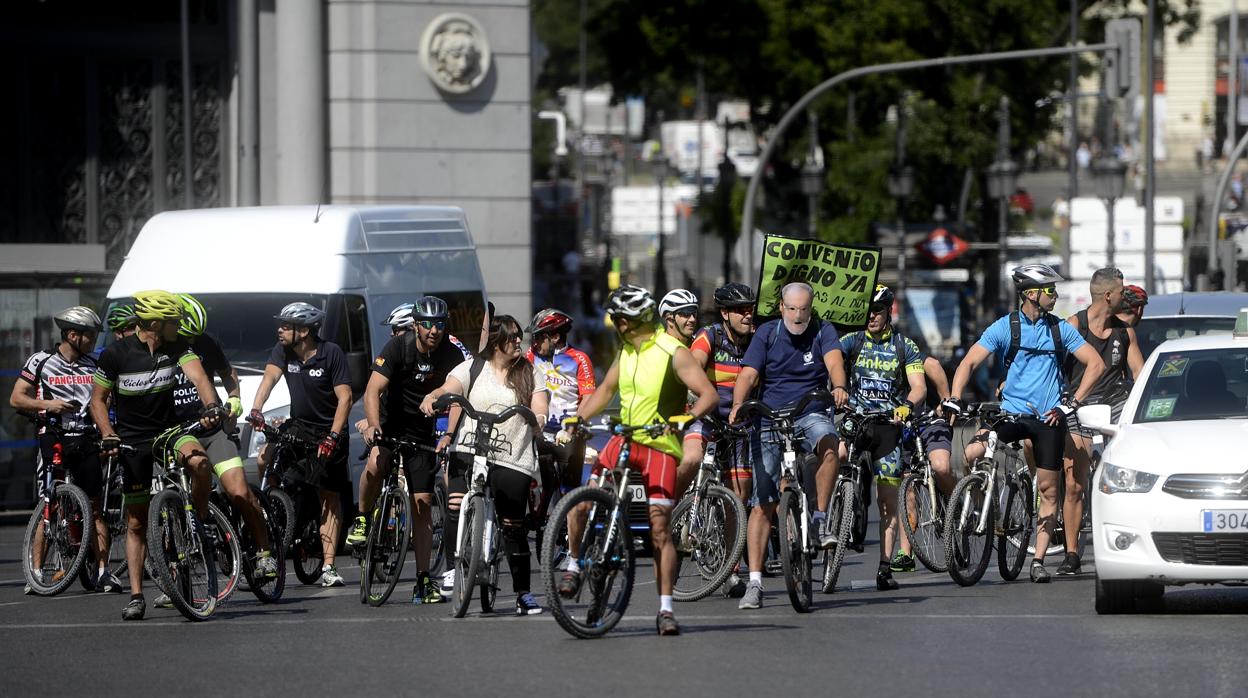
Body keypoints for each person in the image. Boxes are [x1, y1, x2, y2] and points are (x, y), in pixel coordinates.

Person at [560, 284, 717, 636]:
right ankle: (573, 563)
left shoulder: (673, 351)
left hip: (660, 446)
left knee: (659, 528)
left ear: (634, 320)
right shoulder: (626, 350)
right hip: (625, 437)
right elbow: (604, 391)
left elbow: (709, 394)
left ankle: (664, 609)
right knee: (582, 502)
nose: (616, 324)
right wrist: (578, 419)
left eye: (620, 319)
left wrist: (684, 418)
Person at [943, 264, 1105, 583]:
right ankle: (978, 504)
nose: (1055, 296)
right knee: (971, 455)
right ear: (1032, 294)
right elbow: (970, 361)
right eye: (1049, 291)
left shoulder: (1060, 329)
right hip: (1012, 415)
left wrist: (1071, 402)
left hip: (1048, 419)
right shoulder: (1006, 327)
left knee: (1048, 491)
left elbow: (1095, 364)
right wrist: (954, 395)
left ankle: (1038, 560)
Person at [90, 290, 226, 620]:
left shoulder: (176, 346)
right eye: (173, 321)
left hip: (169, 433)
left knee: (201, 463)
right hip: (133, 441)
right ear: (154, 323)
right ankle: (137, 596)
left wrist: (211, 406)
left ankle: (202, 517)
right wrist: (108, 433)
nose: (178, 326)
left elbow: (199, 377)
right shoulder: (115, 355)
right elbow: (97, 401)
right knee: (136, 522)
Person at [419, 314, 550, 616]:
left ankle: (523, 593)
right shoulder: (473, 367)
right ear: (496, 342)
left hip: (512, 456)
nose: (519, 340)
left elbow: (540, 404)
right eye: (512, 336)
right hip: (469, 448)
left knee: (513, 526)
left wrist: (538, 418)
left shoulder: (529, 372)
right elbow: (449, 388)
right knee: (455, 502)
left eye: (520, 335)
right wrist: (434, 396)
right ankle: (455, 567)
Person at [730, 282, 849, 609]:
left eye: (804, 309)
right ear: (781, 307)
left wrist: (838, 386)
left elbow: (835, 363)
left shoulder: (823, 331)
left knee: (829, 443)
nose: (798, 316)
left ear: (811, 309)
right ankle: (754, 584)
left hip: (809, 411)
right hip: (770, 417)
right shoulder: (767, 333)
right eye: (792, 309)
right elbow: (749, 374)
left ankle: (820, 518)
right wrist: (739, 404)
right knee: (762, 503)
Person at [352, 296, 468, 603]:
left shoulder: (451, 354)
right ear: (415, 325)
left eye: (439, 324)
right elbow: (372, 390)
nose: (433, 330)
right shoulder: (398, 347)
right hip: (390, 423)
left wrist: (449, 435)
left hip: (421, 430)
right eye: (427, 324)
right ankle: (362, 517)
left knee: (422, 504)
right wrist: (374, 425)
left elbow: (457, 397)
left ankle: (423, 580)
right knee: (377, 463)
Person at [165, 293, 275, 594]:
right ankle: (174, 575)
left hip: (212, 430)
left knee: (238, 491)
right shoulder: (159, 350)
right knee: (168, 506)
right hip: (176, 433)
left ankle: (264, 552)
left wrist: (235, 397)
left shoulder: (206, 344)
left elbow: (228, 373)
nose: (191, 341)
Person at [249, 302, 353, 588]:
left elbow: (345, 398)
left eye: (286, 326)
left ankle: (329, 566)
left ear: (304, 331)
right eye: (280, 325)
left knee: (328, 497)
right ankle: (276, 510)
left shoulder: (330, 353)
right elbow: (268, 379)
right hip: (299, 425)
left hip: (328, 431)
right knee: (263, 458)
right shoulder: (283, 350)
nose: (279, 330)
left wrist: (333, 436)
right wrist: (257, 409)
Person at [10, 306, 110, 591]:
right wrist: (48, 404)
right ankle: (37, 573)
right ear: (71, 335)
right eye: (89, 335)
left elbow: (105, 399)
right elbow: (16, 398)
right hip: (52, 435)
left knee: (95, 508)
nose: (93, 340)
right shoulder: (40, 361)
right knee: (49, 504)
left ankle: (103, 571)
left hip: (87, 437)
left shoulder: (95, 363)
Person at [836, 284, 926, 591]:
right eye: (867, 311)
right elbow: (830, 364)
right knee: (832, 455)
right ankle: (836, 513)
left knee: (888, 503)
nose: (871, 316)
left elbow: (918, 386)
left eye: (877, 311)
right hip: (856, 420)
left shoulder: (905, 346)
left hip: (888, 426)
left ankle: (885, 567)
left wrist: (907, 406)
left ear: (889, 311)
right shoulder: (851, 340)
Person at [1058, 268, 1144, 576]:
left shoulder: (1125, 332)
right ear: (1108, 296)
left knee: (1126, 479)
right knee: (1073, 483)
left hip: (1116, 409)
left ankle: (1128, 542)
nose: (1126, 296)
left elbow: (1139, 375)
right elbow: (1055, 370)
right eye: (1122, 292)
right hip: (1080, 409)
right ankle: (1071, 554)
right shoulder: (1073, 326)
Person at [687, 282, 761, 597]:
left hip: (740, 424)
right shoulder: (710, 336)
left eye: (750, 308)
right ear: (725, 313)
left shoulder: (758, 340)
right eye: (741, 310)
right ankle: (681, 512)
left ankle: (732, 570)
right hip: (707, 417)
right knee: (691, 458)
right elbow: (690, 367)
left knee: (739, 498)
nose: (748, 314)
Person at [524, 308, 595, 527]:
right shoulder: (530, 357)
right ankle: (538, 515)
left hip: (569, 431)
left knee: (568, 490)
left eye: (538, 337)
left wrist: (573, 428)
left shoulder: (580, 359)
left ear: (554, 336)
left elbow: (589, 398)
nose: (534, 343)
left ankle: (568, 542)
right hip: (541, 430)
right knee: (538, 479)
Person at [658, 289, 703, 495]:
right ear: (669, 318)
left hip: (694, 421)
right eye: (685, 313)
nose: (692, 319)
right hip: (662, 424)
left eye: (694, 313)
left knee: (692, 459)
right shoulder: (656, 346)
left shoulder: (700, 344)